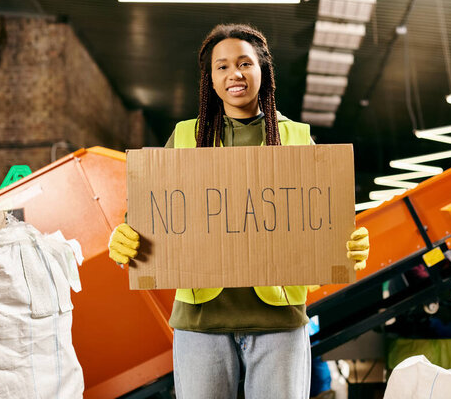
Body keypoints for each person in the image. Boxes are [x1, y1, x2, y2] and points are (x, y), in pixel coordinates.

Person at [108, 24, 370, 399]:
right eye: (222, 66)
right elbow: (151, 207)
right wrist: (126, 232)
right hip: (200, 323)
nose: (235, 74)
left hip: (278, 321)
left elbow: (320, 215)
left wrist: (345, 241)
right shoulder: (186, 137)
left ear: (263, 70)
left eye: (245, 63)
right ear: (210, 79)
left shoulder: (296, 138)